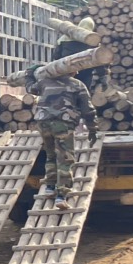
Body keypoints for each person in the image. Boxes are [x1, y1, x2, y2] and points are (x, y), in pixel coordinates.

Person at [25, 51, 97, 211]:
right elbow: (88, 110)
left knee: (51, 155)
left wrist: (29, 74)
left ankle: (50, 187)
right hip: (62, 123)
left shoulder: (44, 82)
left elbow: (30, 88)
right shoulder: (77, 85)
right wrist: (93, 128)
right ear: (71, 71)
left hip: (43, 122)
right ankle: (61, 195)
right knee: (65, 158)